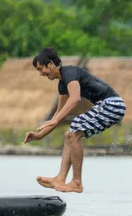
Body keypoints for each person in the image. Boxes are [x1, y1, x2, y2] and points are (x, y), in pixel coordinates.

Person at [23, 47, 126, 193]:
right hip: (108, 106)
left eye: (41, 69)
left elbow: (75, 98)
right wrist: (39, 136)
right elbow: (58, 116)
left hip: (113, 104)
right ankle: (60, 178)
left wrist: (56, 119)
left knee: (75, 129)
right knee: (70, 134)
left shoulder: (69, 72)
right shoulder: (62, 84)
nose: (41, 74)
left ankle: (76, 182)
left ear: (50, 64)